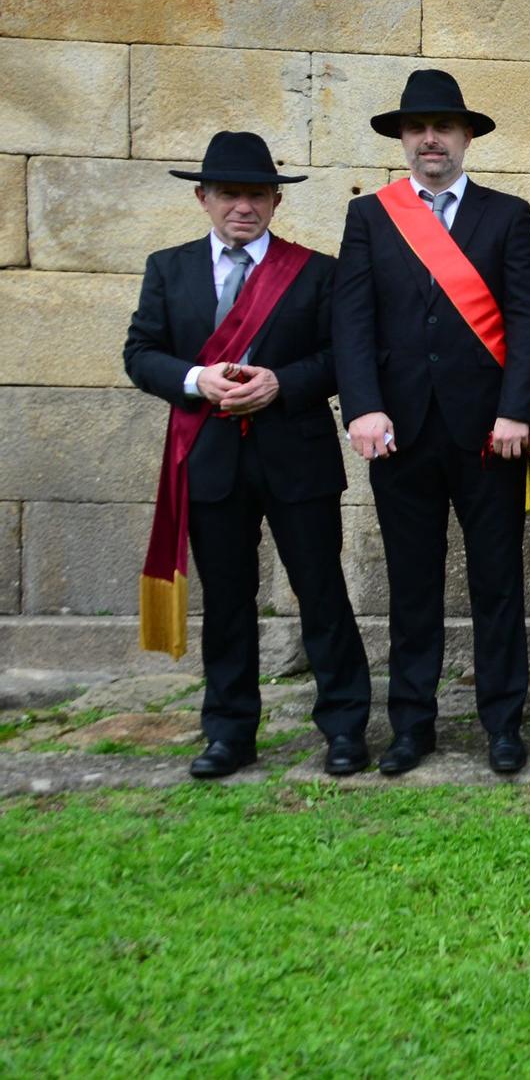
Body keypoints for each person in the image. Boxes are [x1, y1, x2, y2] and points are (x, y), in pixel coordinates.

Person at [125, 131, 370, 779]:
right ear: (204, 197)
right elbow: (140, 353)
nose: (243, 205)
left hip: (297, 458)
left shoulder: (316, 271)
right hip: (208, 462)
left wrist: (281, 382)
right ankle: (230, 732)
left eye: (256, 194)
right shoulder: (167, 268)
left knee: (322, 593)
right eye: (229, 193)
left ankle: (345, 726)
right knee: (228, 602)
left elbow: (343, 357)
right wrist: (194, 379)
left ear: (274, 201)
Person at [332, 69, 530, 776]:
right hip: (400, 431)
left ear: (466, 138)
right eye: (417, 127)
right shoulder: (370, 216)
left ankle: (503, 723)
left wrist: (517, 408)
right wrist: (362, 404)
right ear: (402, 138)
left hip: (489, 434)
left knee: (498, 582)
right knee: (412, 584)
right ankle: (411, 724)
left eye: (444, 127)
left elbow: (527, 319)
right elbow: (352, 320)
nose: (430, 139)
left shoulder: (508, 213)